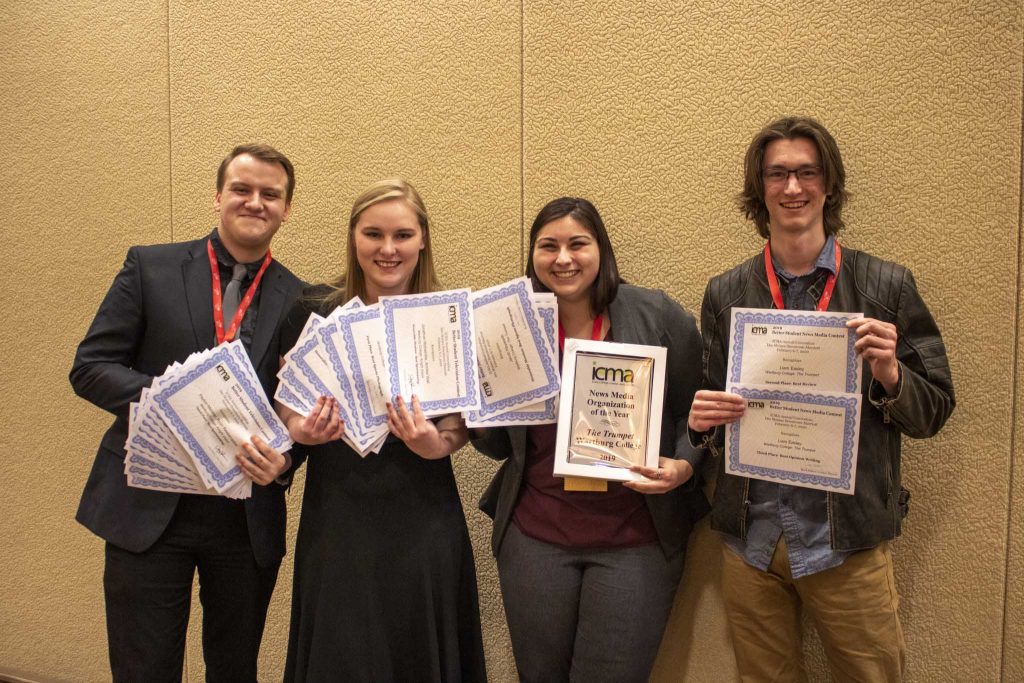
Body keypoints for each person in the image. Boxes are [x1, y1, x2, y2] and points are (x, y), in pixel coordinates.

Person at [688, 116, 956, 682]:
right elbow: (714, 415)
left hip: (845, 541)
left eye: (807, 172)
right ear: (759, 188)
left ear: (828, 183)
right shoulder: (726, 292)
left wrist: (890, 375)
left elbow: (935, 410)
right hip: (753, 541)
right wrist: (701, 425)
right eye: (777, 174)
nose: (792, 188)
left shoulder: (886, 286)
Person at [70, 144, 304, 682]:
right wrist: (177, 403)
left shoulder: (299, 298)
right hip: (149, 510)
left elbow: (296, 414)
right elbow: (90, 367)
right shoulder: (149, 267)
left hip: (243, 518)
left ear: (287, 209)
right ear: (218, 195)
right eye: (242, 189)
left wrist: (287, 462)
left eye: (271, 194)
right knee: (143, 670)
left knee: (233, 669)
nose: (255, 202)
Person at [471, 197, 708, 683]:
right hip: (535, 540)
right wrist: (475, 402)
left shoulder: (657, 315)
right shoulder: (510, 325)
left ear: (601, 249)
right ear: (532, 255)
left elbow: (696, 412)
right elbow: (497, 445)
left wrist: (683, 466)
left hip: (635, 543)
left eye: (578, 244)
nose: (563, 258)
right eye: (548, 246)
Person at [277, 178, 487, 682]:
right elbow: (283, 407)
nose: (387, 249)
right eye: (373, 234)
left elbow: (460, 423)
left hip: (424, 514)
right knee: (342, 647)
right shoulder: (313, 310)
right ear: (354, 239)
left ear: (422, 241)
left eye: (402, 235)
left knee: (418, 646)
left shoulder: (450, 314)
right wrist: (301, 430)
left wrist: (435, 445)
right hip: (338, 514)